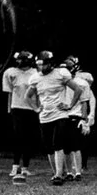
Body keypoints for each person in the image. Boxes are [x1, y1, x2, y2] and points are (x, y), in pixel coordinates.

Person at [33, 55, 82, 186]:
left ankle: (59, 175)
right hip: (45, 116)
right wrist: (36, 108)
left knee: (58, 143)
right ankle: (57, 173)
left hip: (60, 114)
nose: (41, 67)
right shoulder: (36, 77)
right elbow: (28, 95)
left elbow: (78, 89)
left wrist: (69, 105)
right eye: (38, 64)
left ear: (50, 64)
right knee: (48, 147)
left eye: (43, 64)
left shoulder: (60, 74)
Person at [0, 51, 40, 181]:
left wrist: (39, 108)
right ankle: (15, 165)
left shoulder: (35, 73)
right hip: (17, 107)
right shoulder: (11, 72)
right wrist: (8, 109)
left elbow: (39, 92)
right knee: (18, 137)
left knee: (29, 138)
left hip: (31, 108)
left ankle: (25, 167)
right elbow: (10, 92)